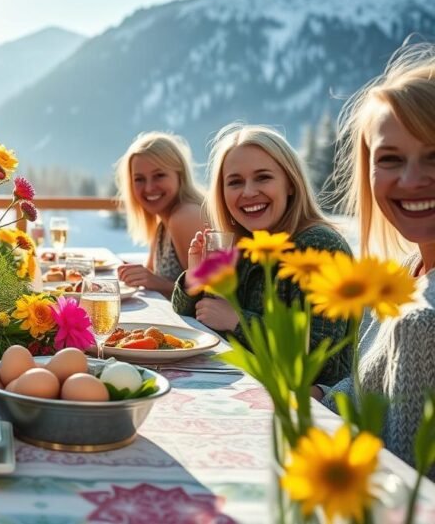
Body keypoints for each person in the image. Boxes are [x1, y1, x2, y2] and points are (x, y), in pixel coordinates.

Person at [321, 43, 435, 477]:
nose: (411, 179)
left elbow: (405, 483)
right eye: (389, 158)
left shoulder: (421, 321)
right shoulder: (402, 276)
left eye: (434, 155)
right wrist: (320, 396)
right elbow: (372, 390)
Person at [171, 123, 352, 386]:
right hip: (249, 387)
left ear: (290, 183)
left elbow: (320, 355)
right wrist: (196, 279)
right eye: (235, 182)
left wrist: (237, 320)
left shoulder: (320, 247)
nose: (248, 192)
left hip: (305, 408)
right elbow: (198, 321)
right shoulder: (246, 245)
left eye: (263, 177)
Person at [114, 132, 205, 294]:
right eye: (139, 179)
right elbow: (150, 272)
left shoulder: (185, 216)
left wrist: (154, 282)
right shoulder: (163, 221)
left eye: (159, 176)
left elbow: (204, 294)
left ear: (180, 175)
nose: (149, 188)